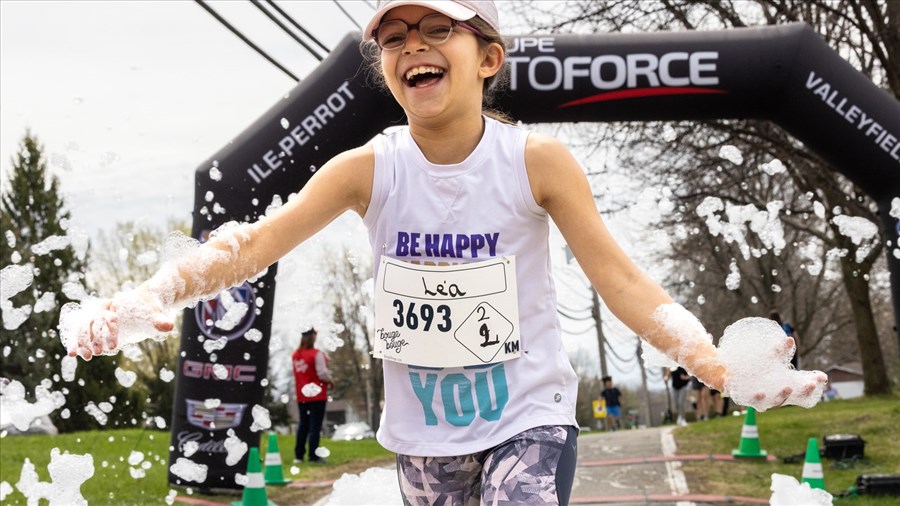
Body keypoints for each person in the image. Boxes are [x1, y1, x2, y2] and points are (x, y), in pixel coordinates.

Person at [67, 1, 820, 503]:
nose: (412, 47)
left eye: (436, 30)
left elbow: (619, 278)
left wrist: (717, 363)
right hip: (424, 435)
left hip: (530, 413)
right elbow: (252, 245)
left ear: (487, 58)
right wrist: (144, 299)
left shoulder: (537, 161)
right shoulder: (367, 170)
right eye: (394, 39)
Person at [292, 327, 334, 464]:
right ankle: (313, 456)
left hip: (302, 396)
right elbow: (322, 373)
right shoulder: (316, 354)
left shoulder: (295, 355)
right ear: (313, 337)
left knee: (303, 425)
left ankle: (298, 456)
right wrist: (331, 380)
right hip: (317, 395)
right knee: (315, 426)